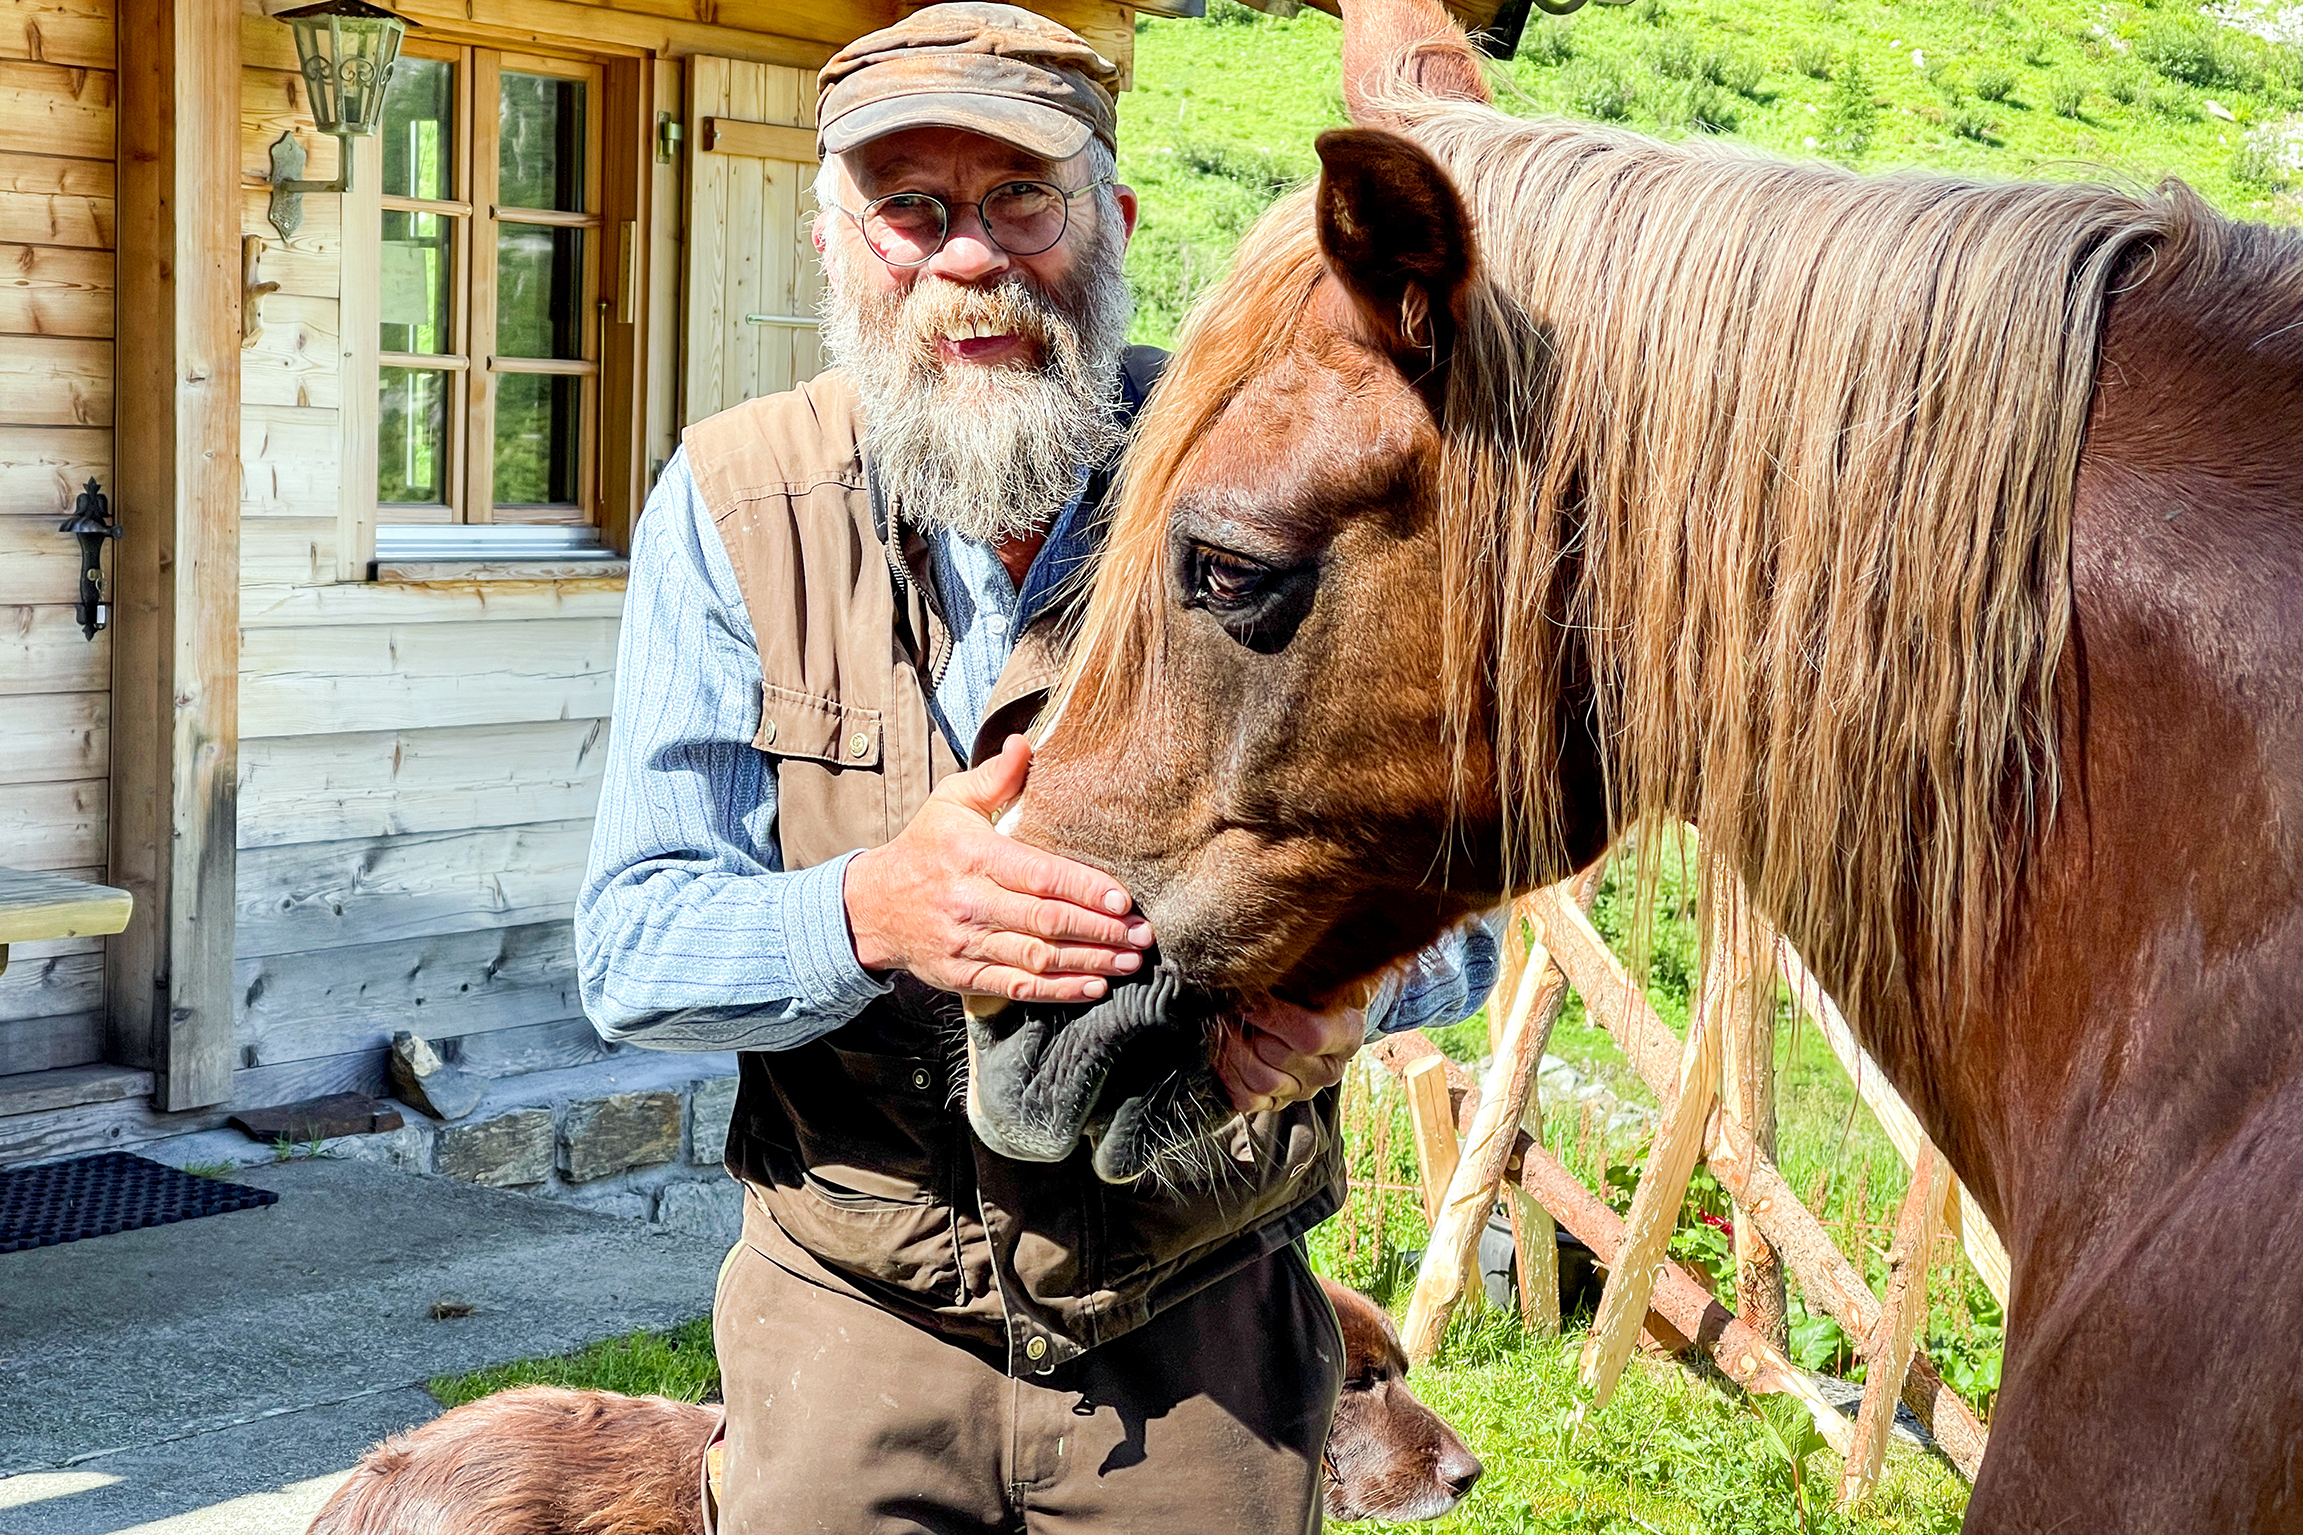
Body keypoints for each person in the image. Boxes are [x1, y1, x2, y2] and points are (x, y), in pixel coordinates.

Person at [575, 7, 1496, 1529]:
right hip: (848, 1346)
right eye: (911, 211)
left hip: (1202, 1345)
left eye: (1021, 201)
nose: (969, 261)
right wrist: (871, 913)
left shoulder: (1280, 484)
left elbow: (1461, 923)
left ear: (1114, 221)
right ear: (833, 246)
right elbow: (631, 951)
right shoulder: (730, 504)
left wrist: (1350, 992)